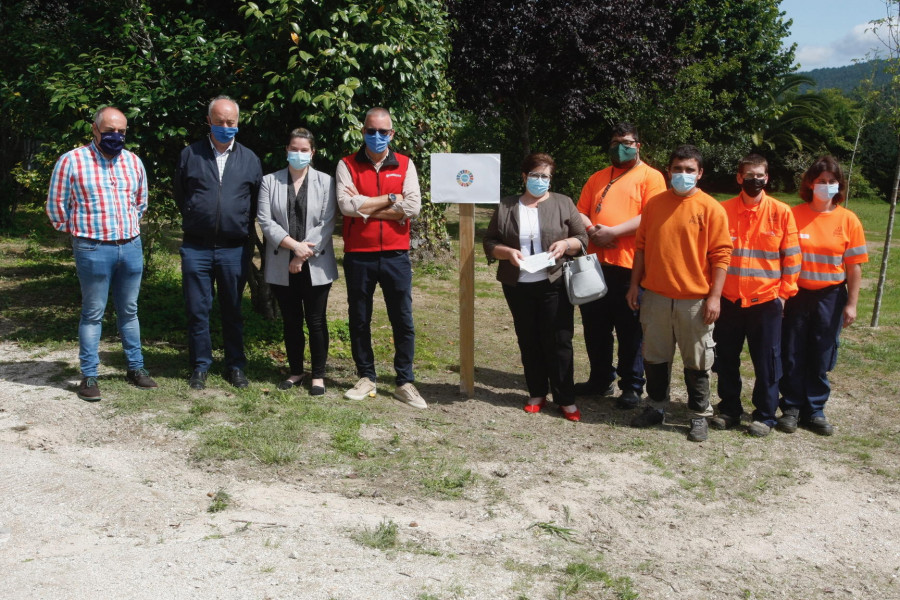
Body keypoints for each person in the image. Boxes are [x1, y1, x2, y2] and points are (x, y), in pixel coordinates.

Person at [46, 106, 158, 401]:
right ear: (94, 130)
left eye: (121, 131)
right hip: (93, 248)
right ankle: (89, 376)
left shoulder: (133, 162)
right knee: (93, 313)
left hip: (130, 246)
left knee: (130, 311)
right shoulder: (71, 161)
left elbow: (140, 202)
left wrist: (128, 226)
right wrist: (79, 231)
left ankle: (136, 368)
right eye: (110, 131)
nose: (116, 136)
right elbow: (57, 206)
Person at [626, 144, 732, 442]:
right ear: (668, 171)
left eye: (689, 170)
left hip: (695, 300)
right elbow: (641, 248)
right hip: (656, 296)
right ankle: (656, 407)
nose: (682, 175)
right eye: (677, 169)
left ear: (699, 174)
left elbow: (722, 256)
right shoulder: (654, 205)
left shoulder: (711, 208)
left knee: (697, 360)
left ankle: (699, 415)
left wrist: (714, 297)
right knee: (655, 356)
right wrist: (635, 285)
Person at [483, 153, 588, 421]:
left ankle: (565, 398)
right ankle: (537, 392)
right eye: (535, 175)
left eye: (545, 176)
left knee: (559, 340)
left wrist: (565, 245)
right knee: (528, 339)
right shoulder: (506, 206)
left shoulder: (563, 203)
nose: (540, 181)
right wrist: (506, 252)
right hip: (518, 285)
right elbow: (490, 242)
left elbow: (581, 238)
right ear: (524, 176)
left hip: (554, 282)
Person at [335, 107, 426, 408]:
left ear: (392, 133)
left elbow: (412, 207)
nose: (376, 136)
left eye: (382, 131)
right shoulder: (346, 164)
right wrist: (390, 199)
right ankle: (366, 377)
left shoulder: (405, 164)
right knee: (359, 317)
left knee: (402, 318)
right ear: (363, 131)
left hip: (396, 255)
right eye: (370, 131)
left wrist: (366, 207)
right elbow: (347, 207)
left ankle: (404, 381)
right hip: (359, 254)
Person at [574, 122, 666, 408]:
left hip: (630, 267)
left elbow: (650, 215)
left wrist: (613, 232)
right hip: (594, 264)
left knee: (631, 330)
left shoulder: (652, 177)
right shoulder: (597, 177)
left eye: (625, 141)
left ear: (638, 145)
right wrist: (592, 232)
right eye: (614, 141)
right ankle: (600, 380)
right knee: (595, 326)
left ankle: (632, 385)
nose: (619, 147)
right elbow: (579, 211)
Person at [175, 95, 262, 390]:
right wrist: (195, 216)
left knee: (232, 308)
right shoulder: (191, 155)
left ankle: (235, 365)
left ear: (237, 123)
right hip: (196, 247)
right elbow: (181, 195)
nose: (226, 126)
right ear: (209, 121)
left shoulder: (250, 159)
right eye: (220, 121)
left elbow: (255, 202)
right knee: (198, 309)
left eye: (231, 122)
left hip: (233, 248)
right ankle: (200, 365)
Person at [710, 154, 800, 437]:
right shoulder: (722, 211)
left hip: (766, 301)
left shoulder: (782, 212)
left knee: (768, 361)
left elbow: (792, 258)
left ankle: (765, 415)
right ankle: (729, 409)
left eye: (760, 175)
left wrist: (784, 295)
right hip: (729, 300)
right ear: (739, 178)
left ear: (767, 178)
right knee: (725, 358)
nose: (755, 180)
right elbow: (711, 255)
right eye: (749, 175)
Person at [778, 156, 868, 436]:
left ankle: (814, 410)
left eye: (831, 181)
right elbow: (781, 258)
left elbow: (854, 267)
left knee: (822, 353)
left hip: (830, 297)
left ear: (839, 185)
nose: (826, 186)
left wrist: (851, 303)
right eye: (821, 181)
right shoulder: (793, 215)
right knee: (791, 352)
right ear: (810, 184)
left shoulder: (848, 220)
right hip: (796, 294)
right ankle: (791, 408)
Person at [257, 128, 337, 395]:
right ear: (286, 150)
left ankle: (319, 375)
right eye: (294, 149)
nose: (299, 154)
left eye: (304, 150)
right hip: (282, 262)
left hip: (316, 263)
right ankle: (295, 371)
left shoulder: (326, 181)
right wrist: (294, 248)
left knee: (316, 320)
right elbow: (266, 222)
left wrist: (302, 255)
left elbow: (327, 223)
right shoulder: (270, 181)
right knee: (291, 321)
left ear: (312, 153)